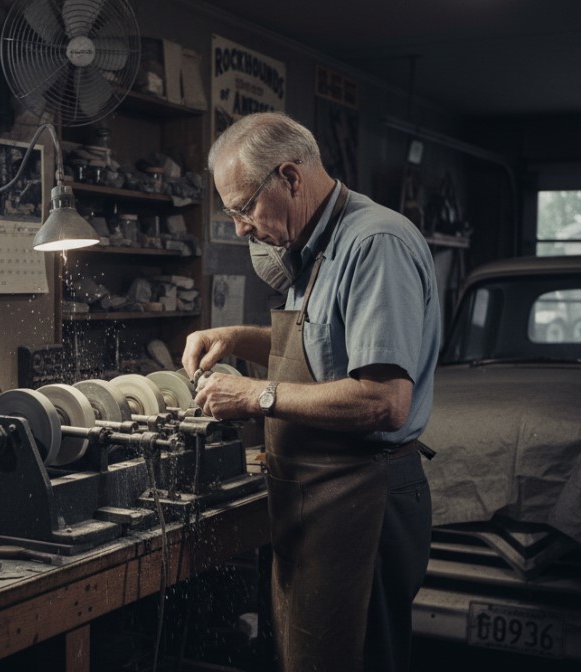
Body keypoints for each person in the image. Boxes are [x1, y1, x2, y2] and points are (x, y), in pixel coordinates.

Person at [182, 112, 441, 672]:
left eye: (244, 207)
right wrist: (233, 338)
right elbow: (325, 352)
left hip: (366, 497)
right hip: (322, 495)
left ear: (290, 178)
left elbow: (383, 401)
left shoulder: (374, 244)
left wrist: (256, 395)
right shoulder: (312, 244)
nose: (240, 228)